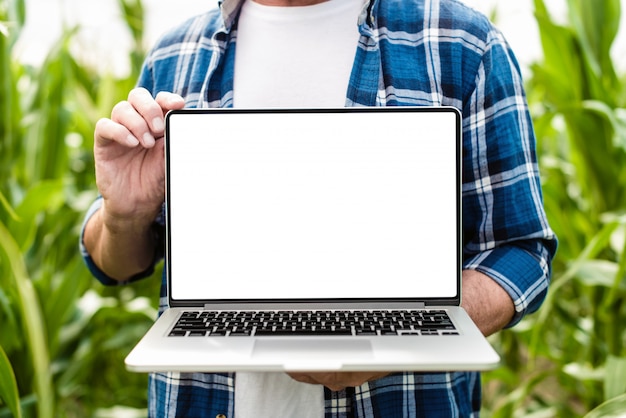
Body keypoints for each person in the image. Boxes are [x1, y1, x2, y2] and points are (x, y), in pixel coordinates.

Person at [80, 0, 557, 416]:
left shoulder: (463, 43)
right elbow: (117, 264)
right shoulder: (175, 53)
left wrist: (396, 338)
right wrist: (123, 216)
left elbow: (519, 250)